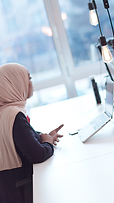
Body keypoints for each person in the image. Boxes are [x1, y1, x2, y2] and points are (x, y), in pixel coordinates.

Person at [0, 63, 64, 203]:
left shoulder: (6, 112)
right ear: (14, 84)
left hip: (9, 188)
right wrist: (47, 142)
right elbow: (38, 155)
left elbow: (23, 140)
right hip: (21, 189)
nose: (31, 83)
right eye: (28, 78)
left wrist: (45, 137)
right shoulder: (14, 115)